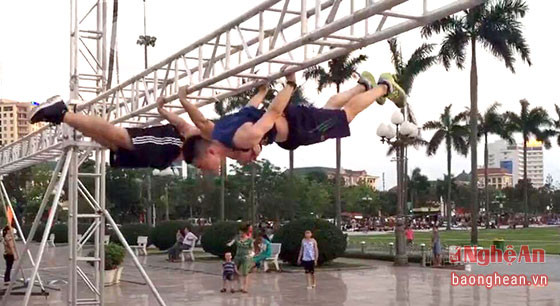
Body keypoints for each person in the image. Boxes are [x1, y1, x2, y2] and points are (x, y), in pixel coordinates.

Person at [183, 70, 406, 172]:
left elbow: (272, 112)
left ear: (210, 153)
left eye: (202, 166)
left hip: (298, 128)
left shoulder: (242, 137)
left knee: (345, 116)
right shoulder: (217, 133)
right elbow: (206, 120)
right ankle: (362, 86)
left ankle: (383, 86)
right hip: (289, 134)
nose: (206, 171)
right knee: (329, 109)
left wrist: (290, 85)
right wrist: (183, 100)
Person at [28, 93, 256, 171]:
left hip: (162, 157)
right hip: (168, 143)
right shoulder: (229, 139)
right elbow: (189, 126)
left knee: (112, 144)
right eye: (254, 154)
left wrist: (164, 111)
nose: (252, 158)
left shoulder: (227, 148)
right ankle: (62, 113)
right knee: (119, 136)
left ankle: (64, 116)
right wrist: (170, 108)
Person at [226, 223, 253, 293]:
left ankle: (245, 288)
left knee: (245, 273)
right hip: (237, 257)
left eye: (242, 232)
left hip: (245, 257)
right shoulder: (237, 238)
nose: (240, 234)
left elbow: (252, 249)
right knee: (235, 272)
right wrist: (229, 244)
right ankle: (238, 286)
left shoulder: (249, 240)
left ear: (245, 232)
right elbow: (231, 242)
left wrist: (250, 255)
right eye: (240, 232)